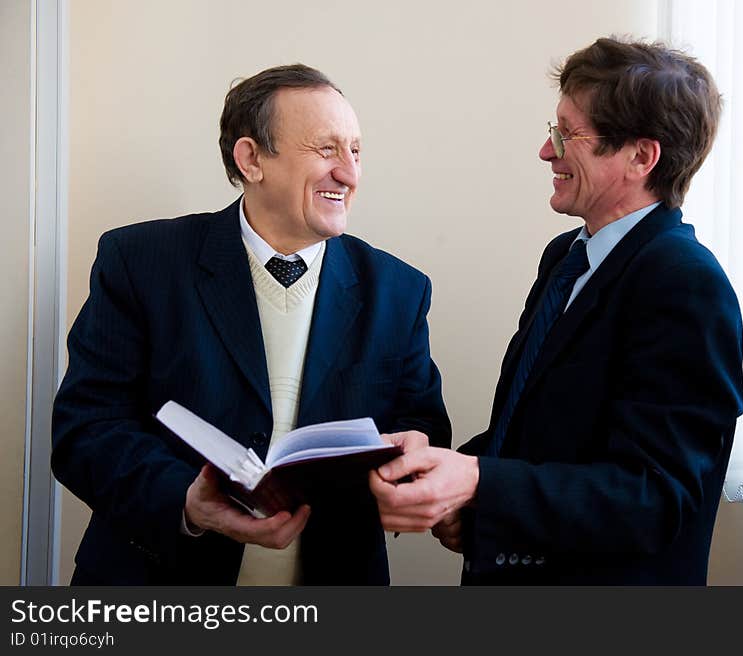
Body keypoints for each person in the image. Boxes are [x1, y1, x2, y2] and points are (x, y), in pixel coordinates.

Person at [52, 64, 451, 585]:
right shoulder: (139, 262)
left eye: (355, 151)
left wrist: (413, 461)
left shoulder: (399, 290)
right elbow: (86, 429)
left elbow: (423, 428)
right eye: (326, 150)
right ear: (251, 159)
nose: (350, 174)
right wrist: (188, 502)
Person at [370, 37, 743, 584]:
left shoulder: (687, 284)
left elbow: (654, 497)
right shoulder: (565, 258)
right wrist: (439, 472)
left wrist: (478, 483)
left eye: (568, 135)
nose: (547, 152)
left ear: (642, 157)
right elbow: (535, 429)